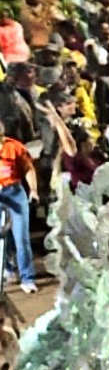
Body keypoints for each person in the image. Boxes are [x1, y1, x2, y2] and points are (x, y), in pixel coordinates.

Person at [0, 118, 38, 292]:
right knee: (2, 238)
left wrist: (33, 190)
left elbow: (28, 168)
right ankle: (8, 269)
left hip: (14, 192)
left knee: (21, 237)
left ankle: (27, 278)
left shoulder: (15, 146)